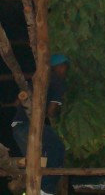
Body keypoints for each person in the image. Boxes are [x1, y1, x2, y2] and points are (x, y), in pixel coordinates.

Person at [12, 54, 69, 195]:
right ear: (61, 67)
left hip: (17, 127)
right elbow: (51, 111)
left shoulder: (37, 80)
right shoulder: (58, 82)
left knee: (36, 161)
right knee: (57, 148)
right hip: (29, 127)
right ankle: (46, 190)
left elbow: (17, 102)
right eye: (66, 67)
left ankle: (33, 190)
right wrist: (58, 113)